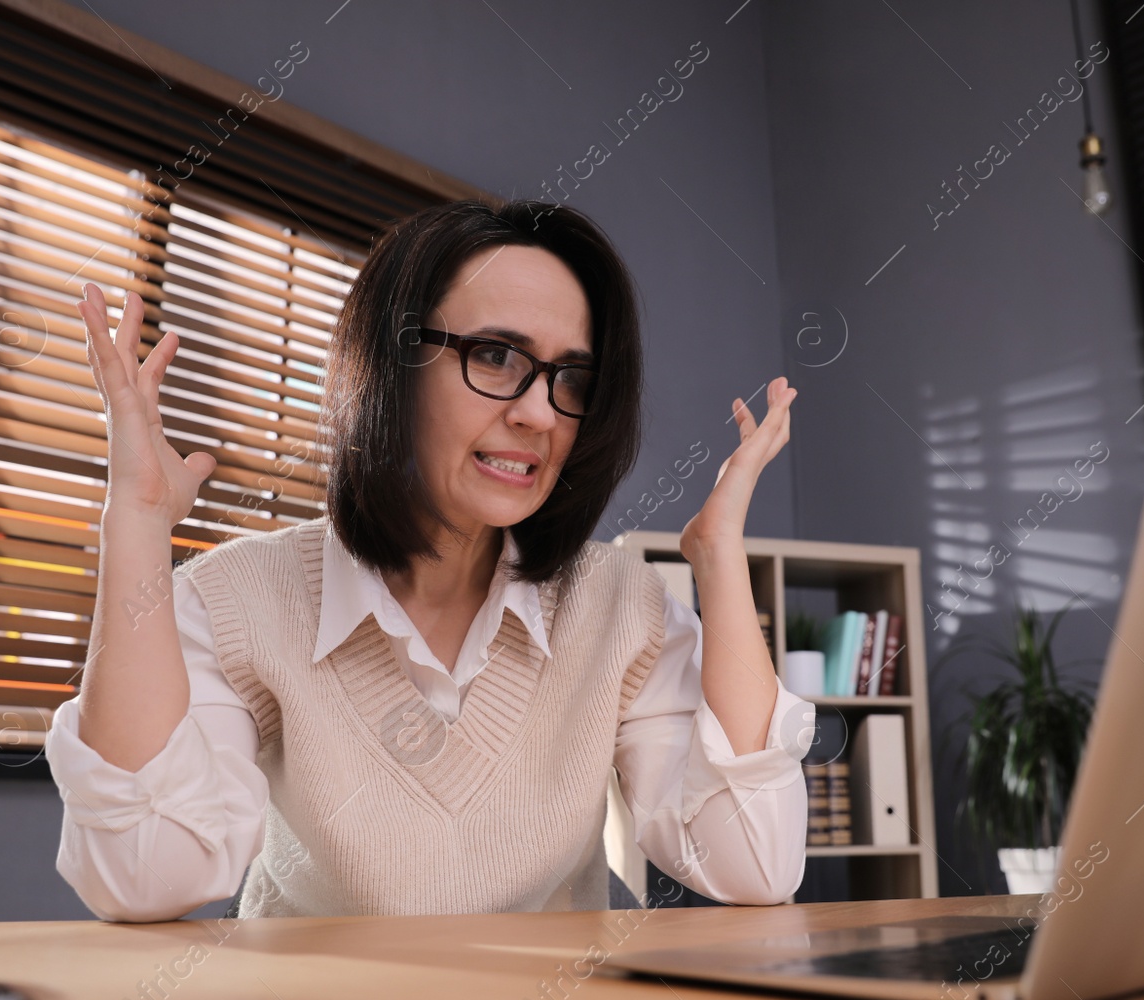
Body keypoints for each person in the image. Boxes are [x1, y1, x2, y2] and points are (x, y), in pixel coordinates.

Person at [47, 199, 813, 921]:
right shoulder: (240, 597)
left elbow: (753, 862)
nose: (539, 413)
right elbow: (145, 877)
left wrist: (719, 558)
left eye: (570, 378)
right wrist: (138, 527)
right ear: (391, 364)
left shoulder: (620, 603)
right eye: (496, 355)